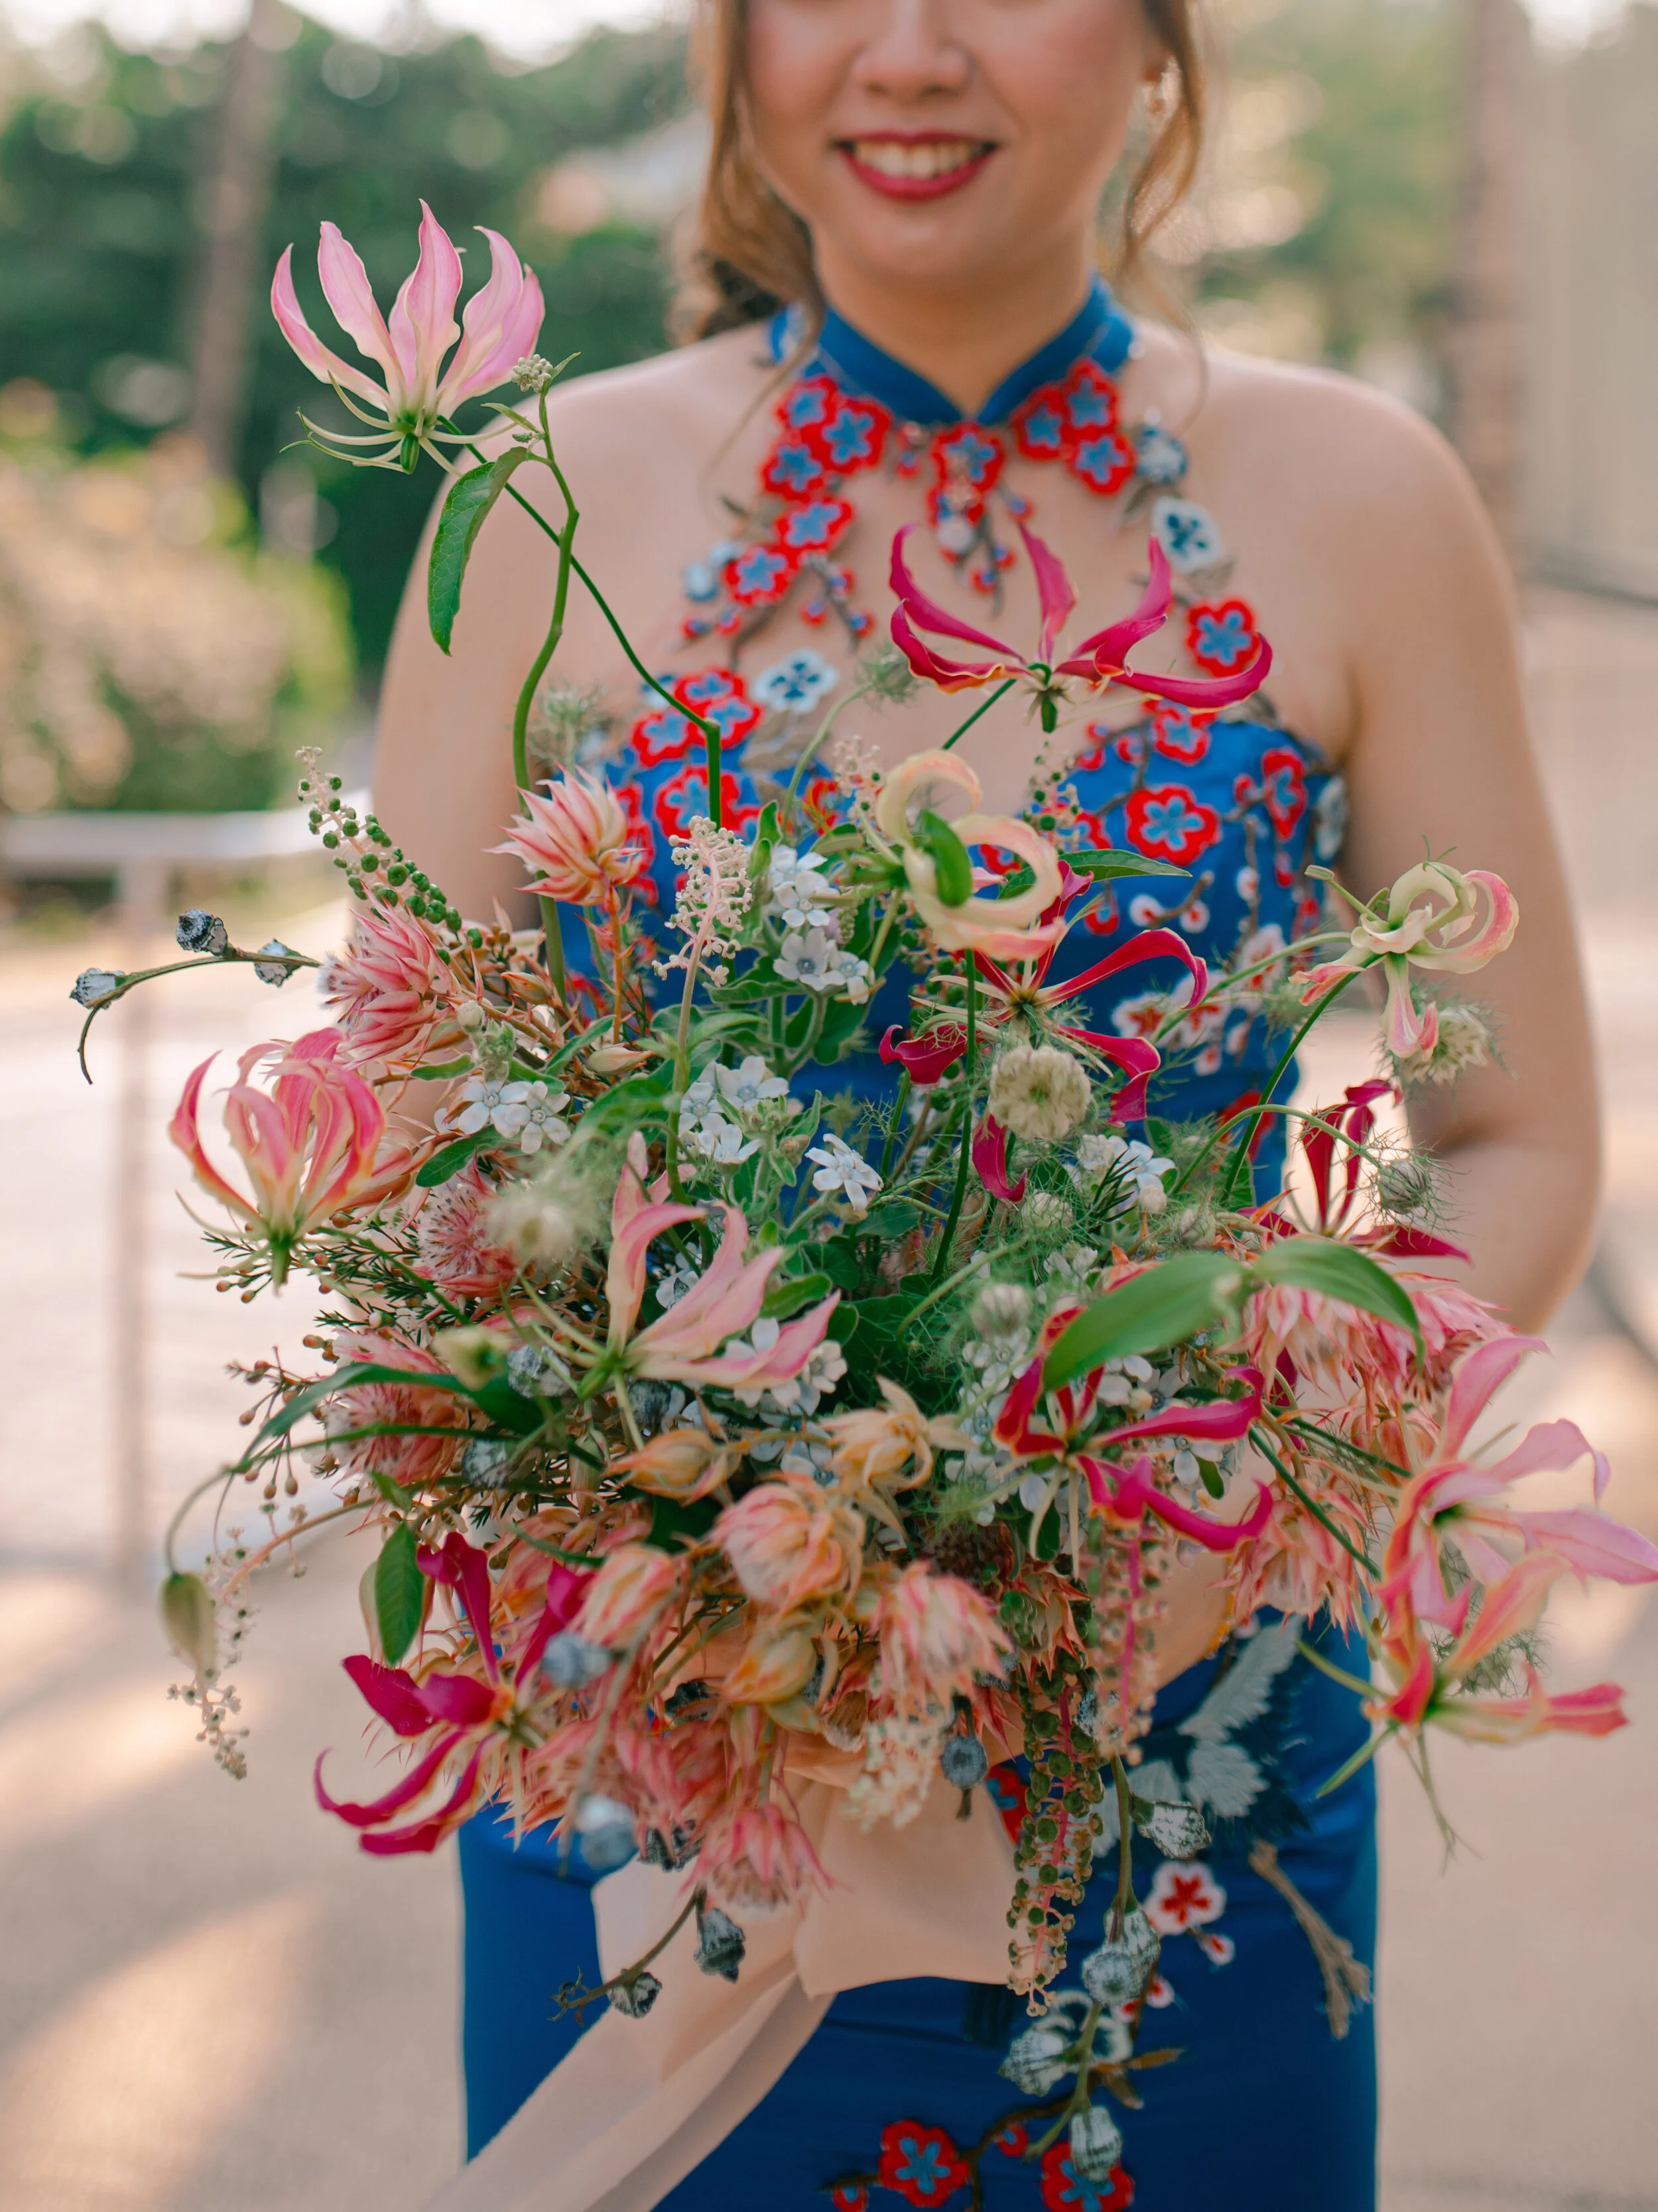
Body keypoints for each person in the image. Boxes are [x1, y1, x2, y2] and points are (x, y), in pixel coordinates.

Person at [374, 1, 1598, 2203]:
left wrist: (1240, 1506)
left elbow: (1518, 1139)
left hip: (1188, 1742)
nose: (910, 52)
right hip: (667, 1757)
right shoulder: (542, 498)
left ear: (1157, 45)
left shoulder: (1360, 495)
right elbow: (405, 1121)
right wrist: (657, 1532)